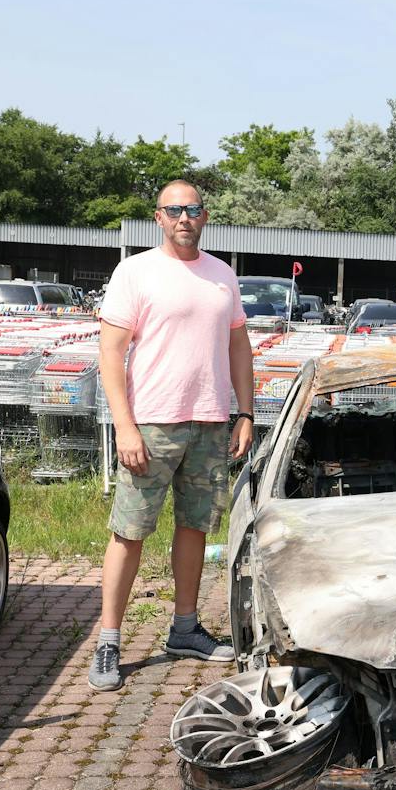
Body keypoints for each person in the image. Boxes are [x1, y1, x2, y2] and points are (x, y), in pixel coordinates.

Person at [88, 180, 255, 691]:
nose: (185, 217)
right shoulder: (135, 272)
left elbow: (239, 349)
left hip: (208, 422)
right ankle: (108, 641)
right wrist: (125, 426)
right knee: (130, 531)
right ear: (158, 218)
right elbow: (111, 355)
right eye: (174, 210)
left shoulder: (222, 275)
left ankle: (184, 629)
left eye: (193, 209)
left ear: (205, 217)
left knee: (195, 527)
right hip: (151, 424)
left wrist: (244, 413)